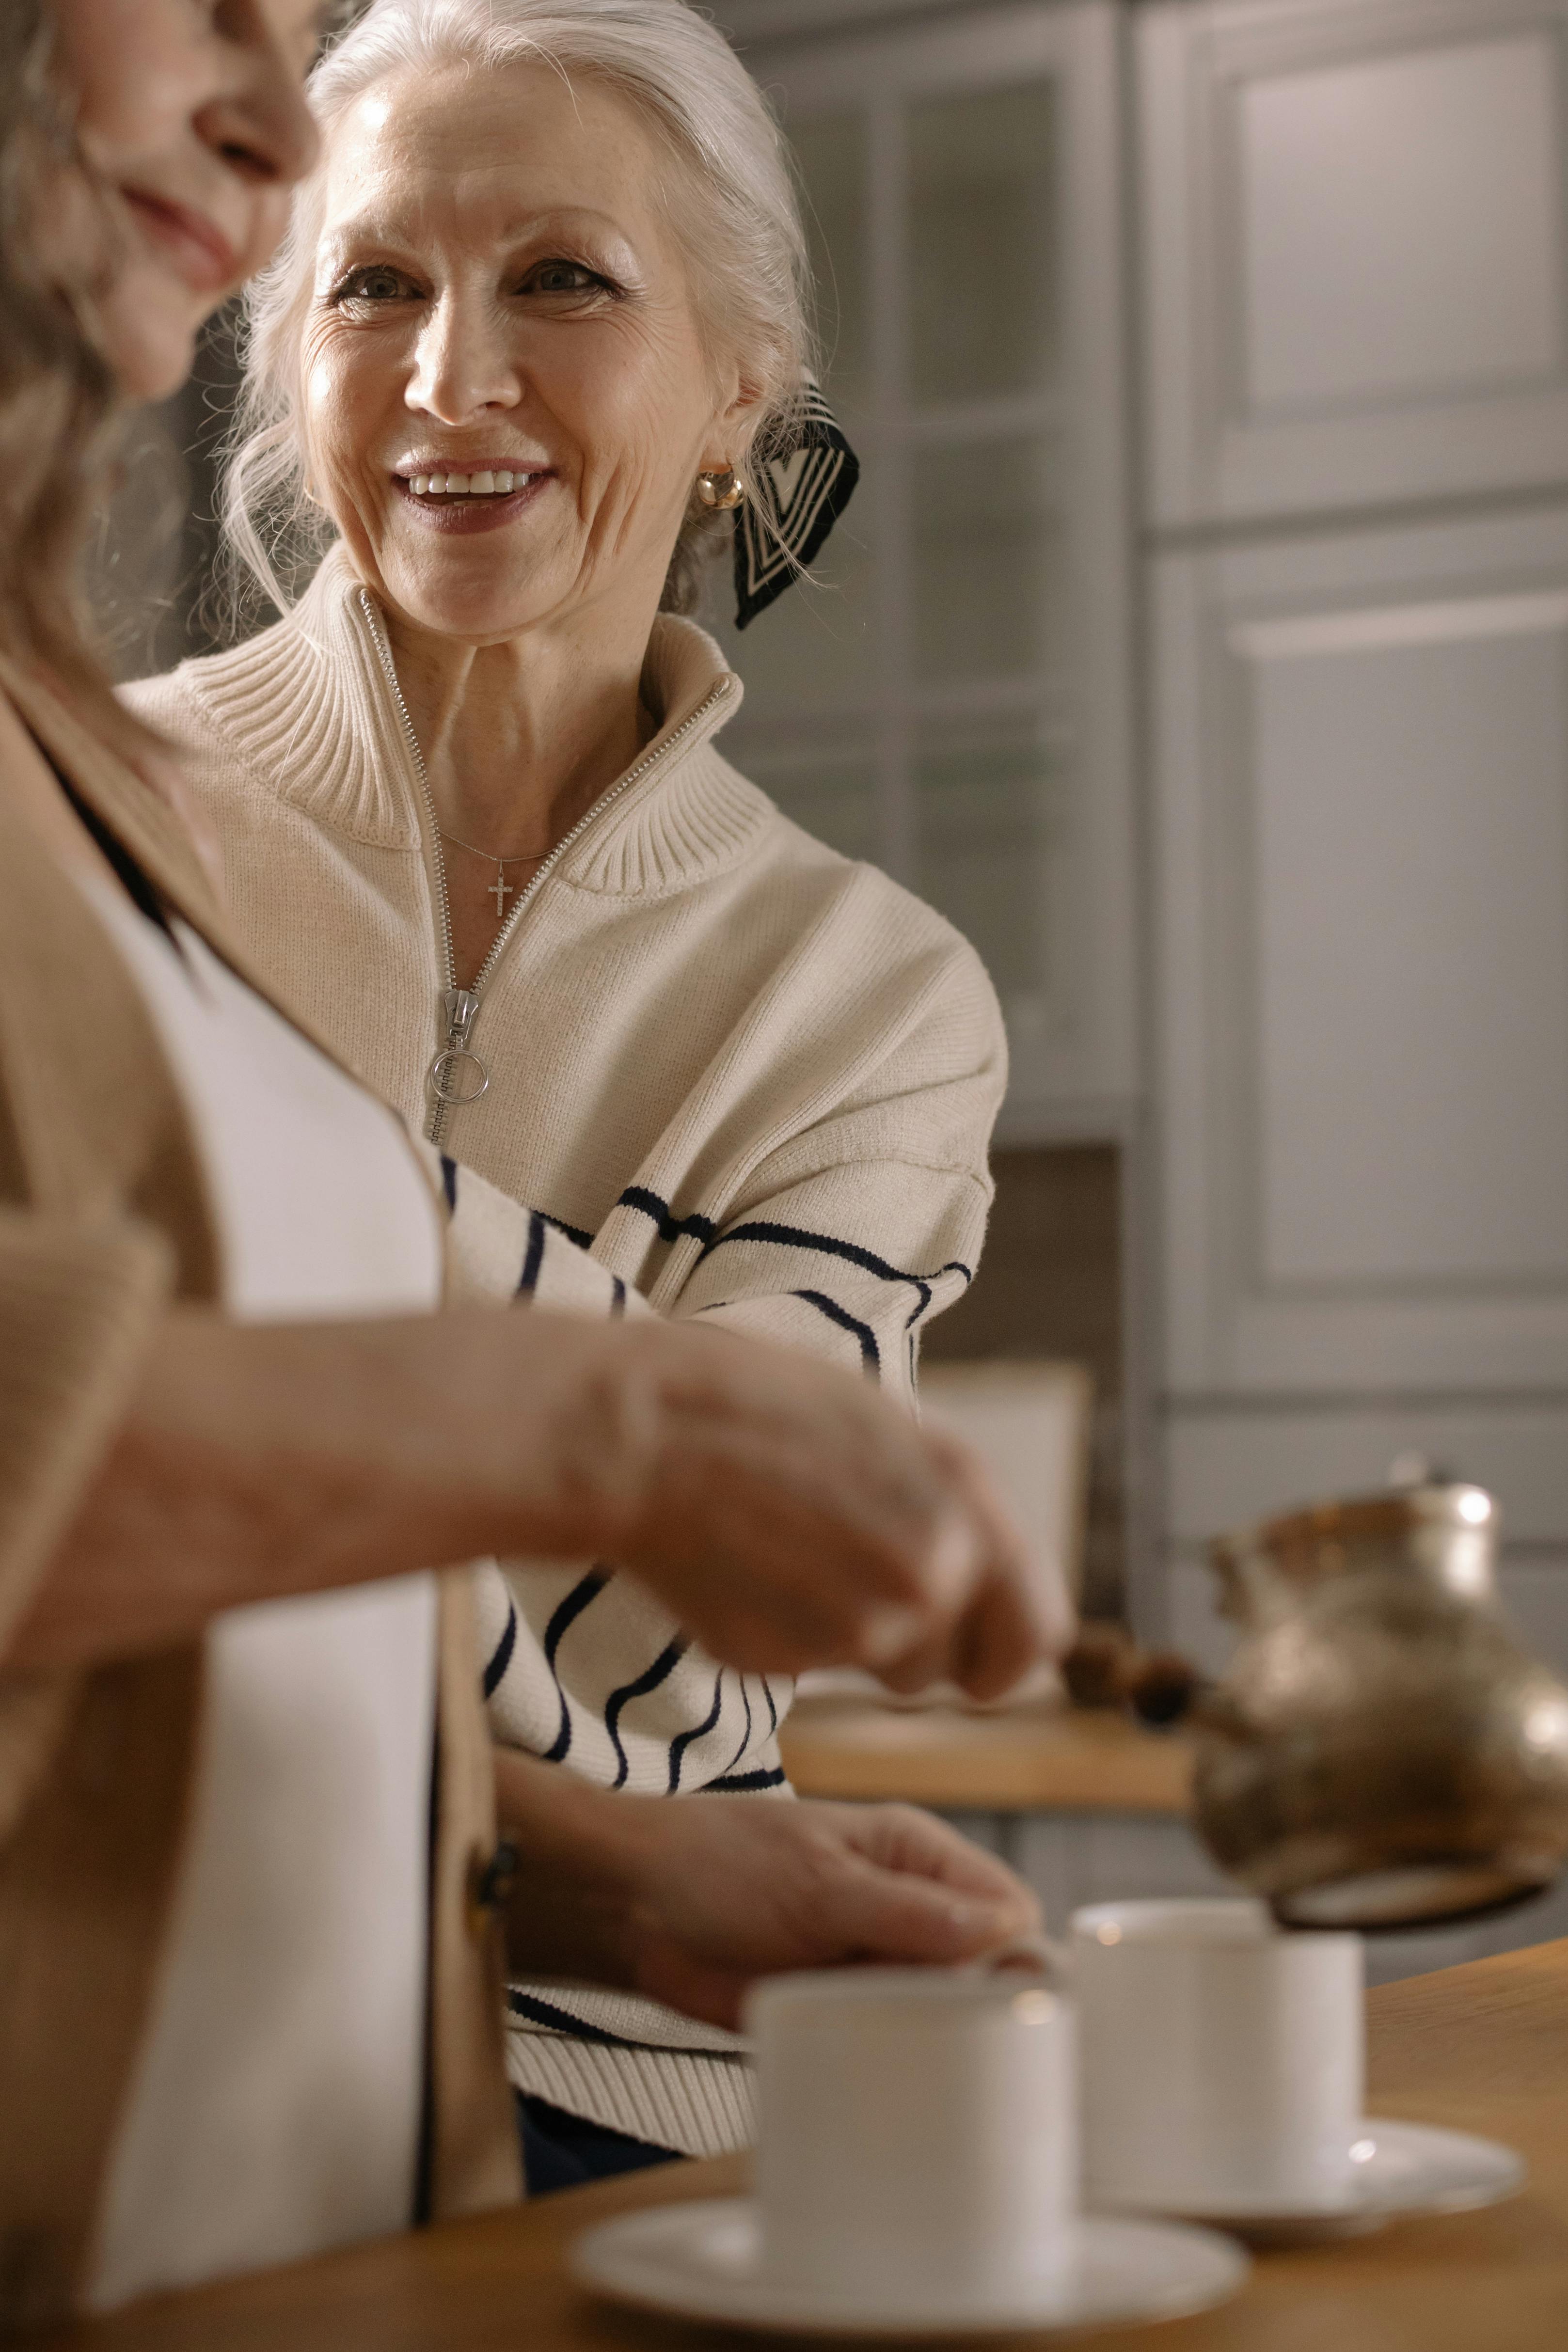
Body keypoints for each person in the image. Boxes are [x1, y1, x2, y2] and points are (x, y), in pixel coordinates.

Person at [0, 0, 1060, 2320]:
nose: (450, 379)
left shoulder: (867, 992)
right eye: (371, 287)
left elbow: (687, 1620)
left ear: (737, 389)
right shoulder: (81, 803)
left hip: (625, 2060)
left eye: (564, 281)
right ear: (277, 353)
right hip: (120, 1986)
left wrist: (260, 1339)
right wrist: (603, 1402)